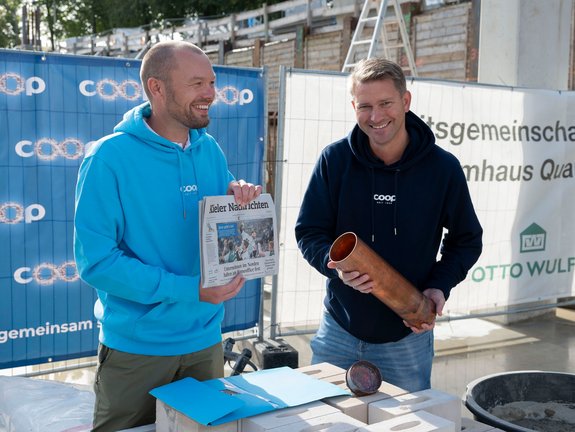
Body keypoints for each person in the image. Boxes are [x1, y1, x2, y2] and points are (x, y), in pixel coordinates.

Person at [73, 40, 262, 431]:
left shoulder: (209, 149)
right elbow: (97, 264)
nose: (210, 93)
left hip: (205, 342)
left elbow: (217, 215)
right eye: (197, 83)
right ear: (156, 88)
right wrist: (188, 289)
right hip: (137, 350)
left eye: (211, 82)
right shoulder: (107, 158)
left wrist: (238, 195)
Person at [295, 58, 482, 392]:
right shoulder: (335, 160)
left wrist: (440, 284)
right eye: (365, 106)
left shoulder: (442, 169)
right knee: (327, 422)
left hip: (407, 337)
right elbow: (309, 231)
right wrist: (335, 265)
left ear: (405, 101)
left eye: (385, 104)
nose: (376, 117)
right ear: (354, 106)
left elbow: (467, 239)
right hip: (338, 332)